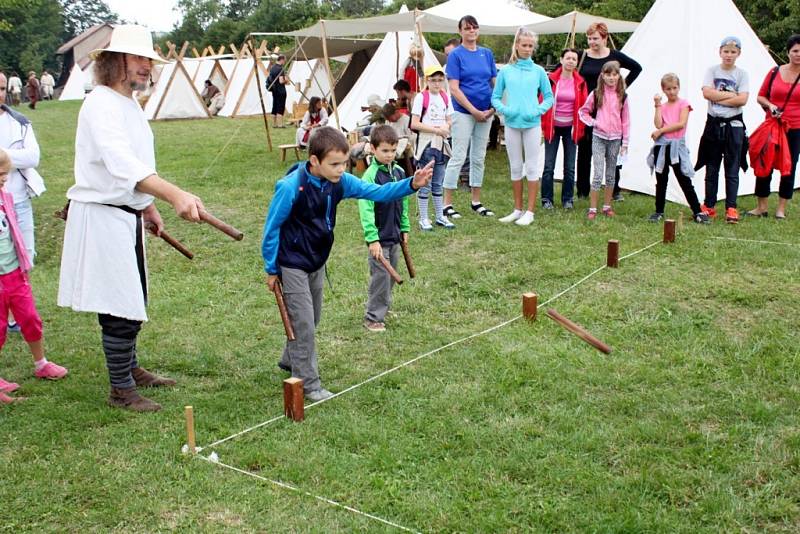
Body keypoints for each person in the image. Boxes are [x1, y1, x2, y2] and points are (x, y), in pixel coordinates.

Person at [57, 25, 209, 412]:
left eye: (148, 60)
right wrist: (174, 194)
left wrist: (148, 206)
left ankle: (131, 368)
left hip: (125, 216)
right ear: (114, 61)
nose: (146, 67)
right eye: (139, 58)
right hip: (103, 218)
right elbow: (120, 163)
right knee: (118, 305)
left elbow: (135, 166)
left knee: (133, 298)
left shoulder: (127, 103)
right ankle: (120, 389)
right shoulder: (100, 103)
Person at [261, 127, 432, 401]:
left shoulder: (340, 182)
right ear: (314, 161)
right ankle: (310, 384)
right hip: (291, 263)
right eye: (335, 164)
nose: (342, 169)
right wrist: (271, 269)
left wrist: (411, 184)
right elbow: (272, 229)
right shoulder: (291, 187)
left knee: (311, 317)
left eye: (344, 163)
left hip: (316, 260)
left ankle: (289, 358)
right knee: (304, 322)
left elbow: (377, 192)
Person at [0, 151, 67, 404]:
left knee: (30, 318)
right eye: (0, 175)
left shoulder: (5, 199)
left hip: (15, 274)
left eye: (5, 173)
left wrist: (23, 261)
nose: (4, 179)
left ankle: (42, 363)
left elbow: (13, 233)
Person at [491, 27, 553, 226]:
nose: (527, 49)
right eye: (524, 45)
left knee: (533, 167)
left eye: (530, 46)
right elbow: (495, 97)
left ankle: (530, 211)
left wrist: (537, 111)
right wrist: (505, 111)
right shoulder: (506, 71)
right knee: (516, 167)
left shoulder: (539, 71)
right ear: (516, 45)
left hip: (532, 125)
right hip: (511, 125)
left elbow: (549, 97)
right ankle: (517, 209)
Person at [0, 72, 46, 334]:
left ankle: (19, 312)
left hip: (18, 200)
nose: (0, 93)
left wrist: (4, 156)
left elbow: (33, 156)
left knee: (25, 256)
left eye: (3, 88)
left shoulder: (19, 122)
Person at [576, 22, 641, 201]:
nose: (592, 42)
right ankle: (582, 190)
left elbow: (637, 68)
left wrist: (623, 86)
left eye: (595, 38)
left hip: (611, 109)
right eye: (589, 38)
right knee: (584, 151)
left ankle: (614, 190)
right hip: (589, 109)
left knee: (612, 151)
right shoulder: (582, 56)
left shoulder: (614, 56)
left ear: (605, 38)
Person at [443, 15, 498, 219]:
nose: (471, 31)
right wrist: (473, 110)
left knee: (478, 157)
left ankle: (476, 200)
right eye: (467, 28)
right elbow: (454, 88)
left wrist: (492, 108)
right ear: (461, 31)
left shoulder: (487, 53)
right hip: (464, 112)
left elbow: (495, 83)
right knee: (458, 156)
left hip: (486, 112)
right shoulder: (456, 55)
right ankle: (446, 204)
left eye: (474, 27)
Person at [357, 126, 410, 332]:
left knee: (391, 274)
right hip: (379, 237)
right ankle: (373, 317)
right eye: (385, 150)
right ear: (373, 149)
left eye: (393, 150)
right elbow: (366, 209)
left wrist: (404, 227)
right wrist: (373, 239)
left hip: (394, 234)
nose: (389, 155)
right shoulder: (370, 176)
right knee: (380, 277)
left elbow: (403, 201)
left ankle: (383, 307)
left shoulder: (399, 172)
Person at [695, 36, 750, 224]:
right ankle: (709, 205)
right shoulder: (712, 71)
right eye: (726, 51)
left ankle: (731, 207)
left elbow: (742, 100)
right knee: (712, 167)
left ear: (738, 54)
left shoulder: (742, 74)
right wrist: (730, 95)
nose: (729, 55)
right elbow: (706, 93)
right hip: (713, 124)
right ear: (720, 52)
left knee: (732, 167)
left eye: (733, 52)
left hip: (733, 126)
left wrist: (719, 97)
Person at [646, 73, 710, 224]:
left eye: (674, 88)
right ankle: (659, 211)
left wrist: (661, 131)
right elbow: (657, 123)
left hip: (676, 147)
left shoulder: (684, 104)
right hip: (662, 147)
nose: (672, 92)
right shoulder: (663, 106)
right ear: (663, 90)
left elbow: (681, 123)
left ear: (679, 87)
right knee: (661, 181)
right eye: (668, 89)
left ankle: (697, 211)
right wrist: (657, 105)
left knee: (684, 180)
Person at [749, 34, 800, 220]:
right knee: (765, 161)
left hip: (795, 128)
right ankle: (761, 206)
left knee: (789, 166)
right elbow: (760, 96)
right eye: (795, 50)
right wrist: (771, 106)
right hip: (772, 125)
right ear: (788, 52)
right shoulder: (774, 72)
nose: (798, 54)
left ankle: (781, 208)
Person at [578, 61, 630, 220]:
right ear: (603, 75)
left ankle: (607, 206)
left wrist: (625, 143)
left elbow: (626, 120)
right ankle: (592, 208)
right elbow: (583, 112)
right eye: (608, 74)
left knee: (611, 175)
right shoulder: (596, 93)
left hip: (615, 139)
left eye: (614, 74)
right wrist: (594, 123)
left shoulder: (623, 95)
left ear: (619, 76)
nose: (611, 78)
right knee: (598, 173)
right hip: (599, 138)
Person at [540, 48, 587, 210]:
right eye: (568, 58)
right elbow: (542, 101)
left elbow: (583, 107)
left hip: (571, 129)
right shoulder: (551, 80)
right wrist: (542, 125)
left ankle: (568, 199)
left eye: (574, 59)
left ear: (576, 63)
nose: (571, 61)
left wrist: (580, 128)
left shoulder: (580, 82)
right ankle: (547, 199)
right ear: (561, 60)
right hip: (552, 127)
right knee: (548, 166)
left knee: (569, 167)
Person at [411, 65, 454, 231]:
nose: (437, 83)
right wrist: (436, 129)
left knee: (438, 181)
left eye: (439, 80)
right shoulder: (422, 97)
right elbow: (415, 123)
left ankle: (440, 216)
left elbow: (449, 119)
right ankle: (423, 218)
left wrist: (445, 126)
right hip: (427, 143)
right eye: (433, 80)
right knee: (426, 181)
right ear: (427, 81)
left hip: (441, 142)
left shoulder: (444, 96)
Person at [380, 102, 415, 176]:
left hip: (407, 157)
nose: (389, 121)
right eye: (387, 119)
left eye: (390, 118)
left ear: (396, 112)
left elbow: (412, 139)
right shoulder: (388, 122)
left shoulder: (407, 120)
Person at [267, 54, 288, 128]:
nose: (284, 62)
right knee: (280, 107)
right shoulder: (280, 69)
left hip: (274, 90)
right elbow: (281, 81)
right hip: (281, 91)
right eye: (284, 60)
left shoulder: (272, 68)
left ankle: (274, 124)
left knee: (274, 106)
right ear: (281, 60)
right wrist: (286, 80)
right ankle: (280, 125)